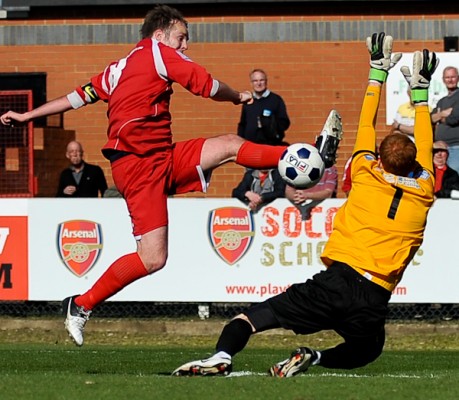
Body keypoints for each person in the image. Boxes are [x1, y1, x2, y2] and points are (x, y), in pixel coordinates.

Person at [0, 5, 342, 347]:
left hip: (161, 156)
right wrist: (237, 95)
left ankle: (307, 154)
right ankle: (81, 303)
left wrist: (29, 114)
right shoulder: (157, 53)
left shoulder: (116, 69)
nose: (185, 46)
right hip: (138, 167)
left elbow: (75, 97)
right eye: (182, 37)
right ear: (160, 35)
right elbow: (206, 85)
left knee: (229, 144)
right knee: (153, 258)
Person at [172, 33, 438, 378]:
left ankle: (222, 355)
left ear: (380, 159)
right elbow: (428, 145)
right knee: (367, 349)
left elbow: (365, 126)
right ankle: (314, 358)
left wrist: (377, 73)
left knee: (249, 319)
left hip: (338, 281)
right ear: (414, 161)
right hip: (376, 293)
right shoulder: (425, 187)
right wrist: (420, 92)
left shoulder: (365, 171)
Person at [237, 69, 290, 145]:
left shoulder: (276, 100)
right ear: (251, 83)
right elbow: (243, 124)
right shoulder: (248, 101)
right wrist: (240, 141)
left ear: (266, 81)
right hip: (251, 146)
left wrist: (273, 128)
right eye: (255, 81)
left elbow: (284, 122)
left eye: (261, 80)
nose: (258, 83)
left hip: (271, 145)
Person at [431, 66, 459, 175]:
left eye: (453, 77)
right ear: (443, 80)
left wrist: (438, 116)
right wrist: (443, 114)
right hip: (440, 148)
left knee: (455, 178)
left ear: (458, 78)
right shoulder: (442, 101)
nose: (450, 80)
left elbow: (454, 119)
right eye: (447, 77)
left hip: (455, 147)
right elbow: (430, 118)